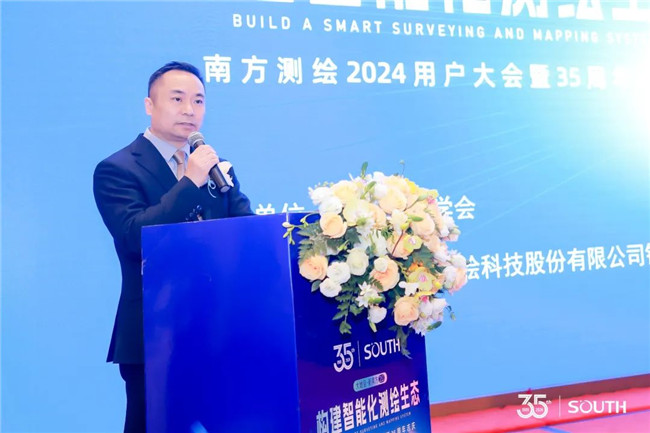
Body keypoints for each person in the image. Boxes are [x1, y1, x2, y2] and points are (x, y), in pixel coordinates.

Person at [93, 61, 253, 433]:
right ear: (149, 105)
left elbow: (249, 232)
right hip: (156, 336)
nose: (189, 109)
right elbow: (135, 236)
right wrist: (190, 182)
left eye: (198, 100)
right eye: (177, 99)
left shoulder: (219, 168)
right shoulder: (117, 169)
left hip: (220, 331)